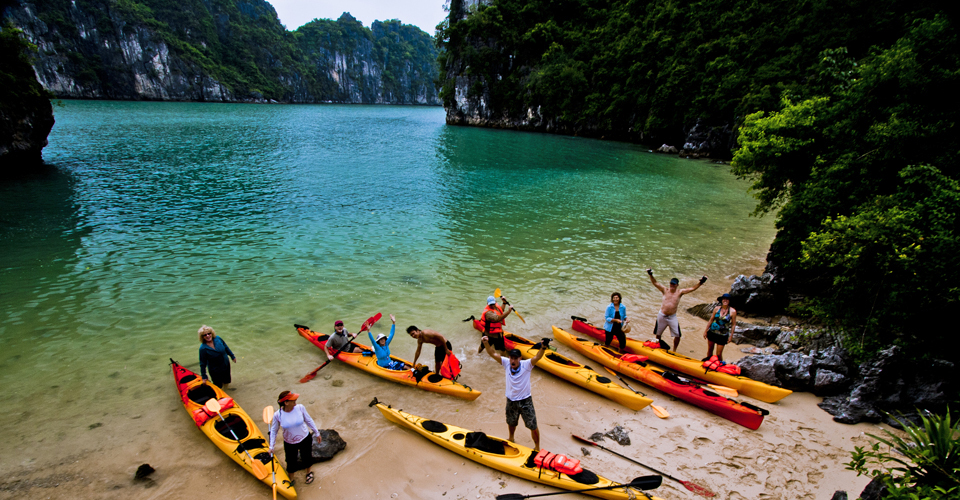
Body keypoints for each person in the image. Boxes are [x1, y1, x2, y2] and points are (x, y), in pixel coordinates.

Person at [481, 335, 549, 450]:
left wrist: (543, 347)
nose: (513, 360)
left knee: (533, 425)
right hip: (511, 400)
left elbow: (537, 357)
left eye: (515, 358)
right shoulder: (506, 363)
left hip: (525, 401)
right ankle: (511, 438)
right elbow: (492, 353)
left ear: (520, 358)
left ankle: (537, 447)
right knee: (511, 421)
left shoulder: (527, 365)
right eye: (511, 358)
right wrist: (486, 343)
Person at [646, 269, 707, 351]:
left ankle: (674, 350)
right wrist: (650, 274)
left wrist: (701, 282)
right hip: (662, 315)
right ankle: (658, 347)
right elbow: (655, 283)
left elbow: (692, 288)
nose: (672, 285)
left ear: (677, 285)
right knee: (658, 334)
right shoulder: (665, 290)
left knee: (678, 335)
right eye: (671, 283)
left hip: (672, 317)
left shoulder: (679, 292)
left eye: (674, 284)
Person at [269, 391, 320, 485]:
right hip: (289, 443)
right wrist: (271, 446)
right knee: (290, 461)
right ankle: (291, 479)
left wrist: (317, 432)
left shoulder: (300, 408)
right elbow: (274, 431)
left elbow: (308, 420)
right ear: (286, 402)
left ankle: (308, 473)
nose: (295, 402)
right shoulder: (278, 415)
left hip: (305, 438)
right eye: (293, 401)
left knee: (307, 457)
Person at [198, 325, 236, 389]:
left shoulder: (218, 338)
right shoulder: (203, 348)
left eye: (209, 333)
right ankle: (221, 394)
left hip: (225, 364)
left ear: (211, 333)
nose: (207, 336)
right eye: (205, 335)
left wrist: (232, 356)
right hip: (215, 370)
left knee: (227, 380)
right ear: (202, 337)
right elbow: (202, 363)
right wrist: (204, 376)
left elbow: (226, 347)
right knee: (218, 384)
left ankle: (226, 390)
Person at [703, 293, 737, 362]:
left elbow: (733, 324)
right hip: (712, 332)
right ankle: (708, 364)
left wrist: (731, 336)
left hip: (722, 335)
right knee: (710, 350)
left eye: (727, 299)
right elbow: (711, 320)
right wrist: (705, 331)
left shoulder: (733, 311)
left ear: (729, 301)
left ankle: (719, 366)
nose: (725, 301)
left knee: (718, 354)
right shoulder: (716, 308)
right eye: (724, 299)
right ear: (721, 300)